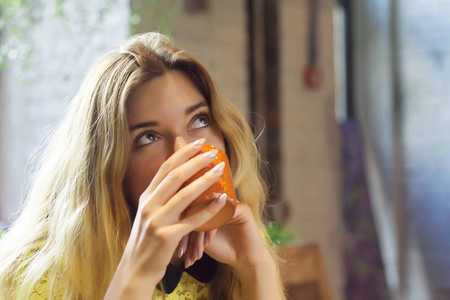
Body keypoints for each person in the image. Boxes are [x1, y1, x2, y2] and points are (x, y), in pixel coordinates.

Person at [0, 32, 285, 299]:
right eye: (148, 137)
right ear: (109, 169)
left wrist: (256, 267)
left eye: (199, 120)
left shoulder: (239, 243)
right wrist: (137, 277)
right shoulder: (35, 275)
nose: (184, 152)